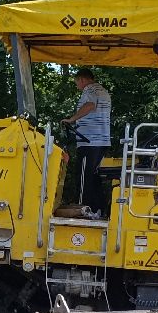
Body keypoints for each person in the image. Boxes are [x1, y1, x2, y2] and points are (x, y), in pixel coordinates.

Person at [60, 67, 113, 216]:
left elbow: (90, 105)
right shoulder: (103, 91)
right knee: (94, 178)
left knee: (84, 178)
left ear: (82, 79)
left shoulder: (89, 89)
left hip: (89, 142)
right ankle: (99, 210)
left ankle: (81, 210)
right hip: (101, 141)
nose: (77, 86)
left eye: (77, 82)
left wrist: (71, 119)